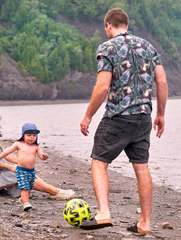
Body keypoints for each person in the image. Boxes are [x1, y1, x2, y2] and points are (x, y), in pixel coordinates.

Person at [79, 8, 168, 235]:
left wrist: (88, 116)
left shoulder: (107, 47)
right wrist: (160, 114)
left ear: (108, 25)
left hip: (118, 116)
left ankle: (103, 213)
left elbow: (103, 86)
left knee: (99, 162)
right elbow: (162, 82)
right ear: (126, 24)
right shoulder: (148, 46)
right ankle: (145, 223)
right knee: (142, 167)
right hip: (143, 118)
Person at [0, 108, 75, 202]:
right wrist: (11, 167)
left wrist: (22, 162)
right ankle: (55, 192)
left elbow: (5, 155)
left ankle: (52, 190)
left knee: (21, 188)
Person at [0, 123, 49, 211]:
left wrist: (44, 157)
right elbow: (7, 151)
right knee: (25, 187)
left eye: (34, 135)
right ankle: (26, 203)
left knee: (30, 187)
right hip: (21, 170)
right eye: (29, 135)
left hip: (31, 171)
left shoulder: (36, 146)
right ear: (23, 135)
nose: (32, 137)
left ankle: (23, 200)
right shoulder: (19, 144)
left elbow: (41, 156)